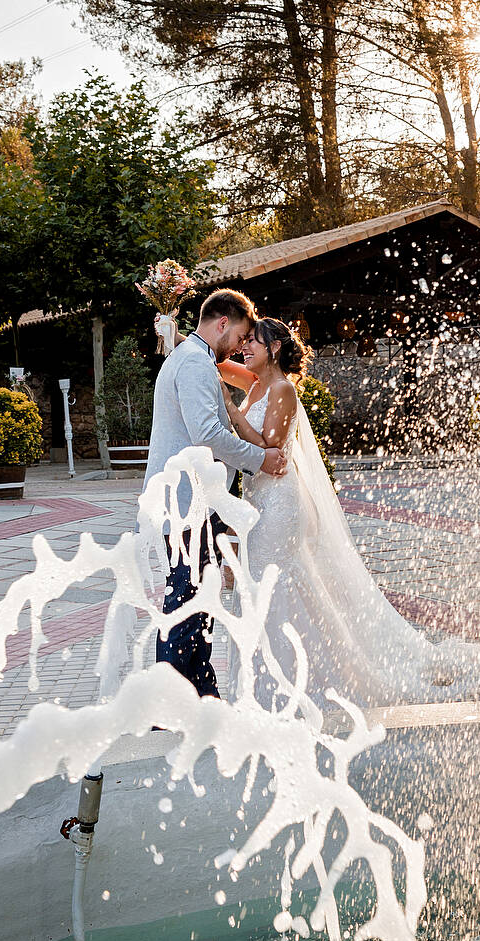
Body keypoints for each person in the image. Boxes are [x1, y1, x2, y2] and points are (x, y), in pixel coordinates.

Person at [219, 316, 480, 707]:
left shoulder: (281, 389)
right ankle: (265, 680)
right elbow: (215, 363)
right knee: (261, 584)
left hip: (280, 504)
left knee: (276, 585)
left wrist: (232, 412)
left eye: (253, 341)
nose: (245, 347)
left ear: (274, 348)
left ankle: (297, 683)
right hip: (260, 502)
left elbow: (269, 450)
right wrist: (173, 333)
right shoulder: (255, 383)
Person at [145, 289, 286, 697]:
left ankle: (204, 700)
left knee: (199, 603)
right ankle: (170, 707)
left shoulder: (196, 360)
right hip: (187, 504)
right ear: (222, 323)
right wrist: (260, 460)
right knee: (185, 607)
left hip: (196, 503)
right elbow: (205, 433)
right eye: (241, 334)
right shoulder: (192, 363)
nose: (242, 344)